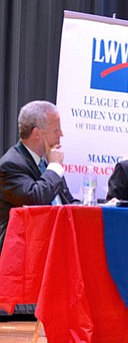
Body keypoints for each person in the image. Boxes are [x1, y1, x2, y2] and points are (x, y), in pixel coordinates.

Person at [0, 100, 76, 255]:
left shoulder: (47, 161)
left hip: (55, 245)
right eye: (56, 130)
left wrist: (96, 207)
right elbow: (36, 198)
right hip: (24, 253)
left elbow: (66, 202)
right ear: (37, 134)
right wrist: (54, 168)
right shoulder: (11, 165)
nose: (61, 134)